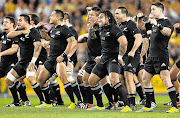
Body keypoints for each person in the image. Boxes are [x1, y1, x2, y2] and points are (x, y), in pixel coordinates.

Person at [137, 2, 178, 113]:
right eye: (151, 9)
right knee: (145, 79)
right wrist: (139, 19)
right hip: (151, 56)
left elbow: (168, 32)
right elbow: (141, 28)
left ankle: (174, 106)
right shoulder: (154, 22)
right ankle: (148, 105)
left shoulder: (166, 22)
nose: (152, 12)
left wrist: (157, 24)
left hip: (161, 56)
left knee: (166, 79)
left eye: (153, 9)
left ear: (160, 10)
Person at [87, 9, 131, 112]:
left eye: (101, 17)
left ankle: (127, 106)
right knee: (91, 81)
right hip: (103, 59)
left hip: (113, 59)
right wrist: (90, 28)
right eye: (99, 18)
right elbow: (93, 37)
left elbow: (124, 42)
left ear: (108, 18)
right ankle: (100, 105)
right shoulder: (101, 29)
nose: (99, 19)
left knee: (114, 80)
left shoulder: (114, 28)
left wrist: (120, 56)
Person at [36, 9, 77, 109]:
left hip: (60, 59)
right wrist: (41, 28)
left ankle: (73, 102)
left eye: (52, 16)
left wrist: (64, 55)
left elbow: (72, 42)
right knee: (40, 80)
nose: (50, 17)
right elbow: (48, 37)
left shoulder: (65, 29)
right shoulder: (53, 29)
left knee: (64, 79)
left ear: (57, 18)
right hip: (50, 59)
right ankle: (48, 103)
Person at [5, 14, 43, 107]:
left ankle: (43, 101)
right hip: (22, 61)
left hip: (31, 61)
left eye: (20, 20)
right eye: (18, 20)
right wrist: (22, 32)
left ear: (26, 22)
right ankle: (16, 102)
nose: (18, 22)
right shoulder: (19, 30)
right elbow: (9, 35)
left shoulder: (33, 32)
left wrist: (33, 61)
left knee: (30, 79)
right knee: (8, 80)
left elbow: (38, 47)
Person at [115, 7, 143, 110]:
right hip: (123, 56)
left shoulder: (130, 23)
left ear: (123, 14)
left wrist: (133, 51)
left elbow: (139, 37)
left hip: (132, 55)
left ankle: (132, 104)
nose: (116, 15)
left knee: (129, 76)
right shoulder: (120, 25)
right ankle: (126, 101)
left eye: (117, 13)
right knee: (121, 78)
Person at [0, 16, 30, 107]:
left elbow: (14, 49)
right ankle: (22, 101)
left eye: (6, 22)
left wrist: (1, 54)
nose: (4, 24)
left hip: (12, 63)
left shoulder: (15, 35)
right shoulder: (3, 34)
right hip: (3, 63)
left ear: (12, 24)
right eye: (3, 22)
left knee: (15, 80)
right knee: (16, 81)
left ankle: (22, 101)